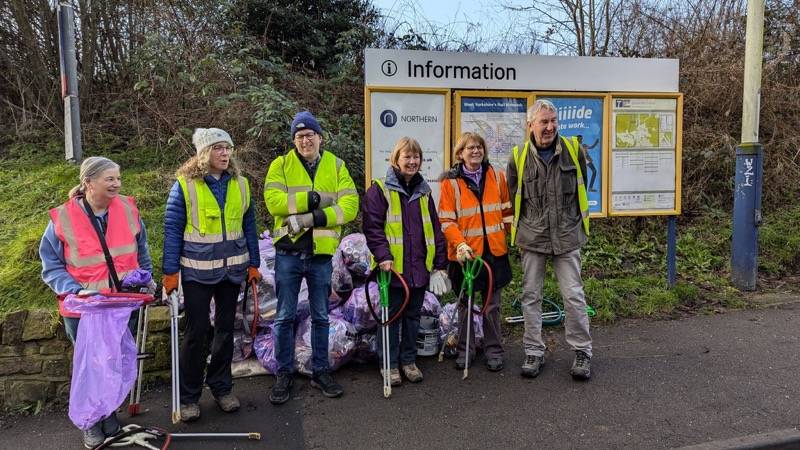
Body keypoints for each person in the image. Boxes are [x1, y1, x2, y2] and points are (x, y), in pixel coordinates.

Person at [39, 156, 153, 448]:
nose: (117, 184)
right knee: (91, 367)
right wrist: (74, 291)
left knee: (113, 362)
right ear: (88, 182)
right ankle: (91, 423)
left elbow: (141, 251)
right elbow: (51, 265)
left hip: (120, 305)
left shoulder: (128, 209)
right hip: (85, 309)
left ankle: (108, 415)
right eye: (109, 179)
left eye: (118, 178)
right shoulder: (63, 218)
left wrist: (145, 278)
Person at [162, 128, 261, 422]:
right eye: (218, 148)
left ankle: (221, 387)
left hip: (232, 270)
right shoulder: (185, 185)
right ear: (204, 153)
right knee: (196, 332)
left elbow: (250, 226)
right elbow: (172, 230)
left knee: (226, 330)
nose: (225, 154)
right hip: (196, 271)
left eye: (228, 148)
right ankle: (189, 396)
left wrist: (253, 263)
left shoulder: (241, 184)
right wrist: (170, 272)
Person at [265, 111, 359, 404]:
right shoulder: (280, 165)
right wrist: (315, 199)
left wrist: (312, 218)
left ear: (320, 137)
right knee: (283, 316)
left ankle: (321, 372)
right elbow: (273, 202)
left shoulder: (337, 165)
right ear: (294, 140)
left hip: (320, 255)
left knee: (321, 316)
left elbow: (350, 205)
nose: (305, 140)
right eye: (299, 136)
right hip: (288, 253)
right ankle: (284, 373)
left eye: (310, 135)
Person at [507, 99, 593, 380]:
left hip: (567, 236)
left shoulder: (573, 150)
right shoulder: (518, 156)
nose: (550, 127)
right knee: (531, 297)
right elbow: (512, 194)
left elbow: (581, 185)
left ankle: (582, 352)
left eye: (553, 121)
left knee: (574, 296)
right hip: (532, 237)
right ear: (530, 125)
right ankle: (534, 351)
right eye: (544, 122)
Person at [363, 137, 449, 385]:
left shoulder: (424, 192)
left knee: (413, 317)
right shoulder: (380, 190)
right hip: (392, 271)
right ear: (396, 159)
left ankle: (409, 361)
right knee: (389, 319)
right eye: (407, 157)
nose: (412, 162)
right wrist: (383, 256)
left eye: (415, 157)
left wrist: (440, 266)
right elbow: (373, 228)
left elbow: (434, 229)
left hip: (418, 270)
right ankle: (388, 365)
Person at [439, 132, 513, 372]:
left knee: (492, 306)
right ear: (460, 153)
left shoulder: (497, 176)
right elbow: (447, 221)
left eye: (479, 147)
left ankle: (494, 350)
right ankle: (465, 350)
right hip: (465, 256)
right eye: (470, 148)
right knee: (465, 306)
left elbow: (506, 212)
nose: (475, 151)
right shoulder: (450, 183)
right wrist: (460, 244)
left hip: (494, 253)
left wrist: (509, 236)